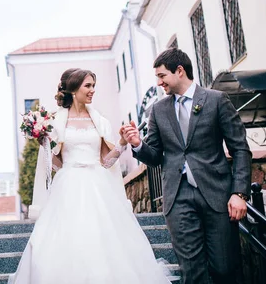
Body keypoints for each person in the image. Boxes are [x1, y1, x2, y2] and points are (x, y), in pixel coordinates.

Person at [9, 68, 171, 284]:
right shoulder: (56, 121)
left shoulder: (99, 121)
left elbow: (106, 162)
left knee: (105, 241)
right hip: (68, 185)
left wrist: (122, 143)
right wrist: (45, 145)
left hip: (97, 184)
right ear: (74, 89)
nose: (93, 90)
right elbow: (57, 164)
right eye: (88, 85)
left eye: (94, 85)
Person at [121, 48, 252, 284]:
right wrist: (138, 144)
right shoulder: (158, 111)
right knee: (192, 272)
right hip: (177, 197)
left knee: (225, 268)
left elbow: (240, 149)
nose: (159, 82)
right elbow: (154, 156)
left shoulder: (216, 100)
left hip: (217, 194)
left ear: (179, 71)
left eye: (162, 76)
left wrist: (239, 193)